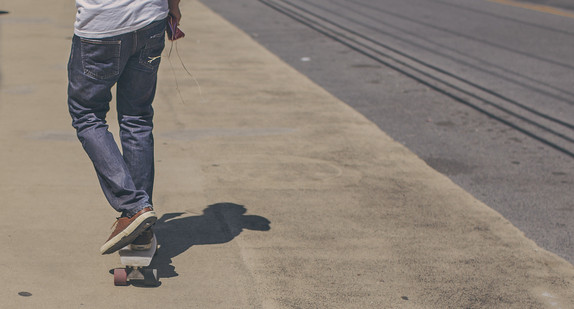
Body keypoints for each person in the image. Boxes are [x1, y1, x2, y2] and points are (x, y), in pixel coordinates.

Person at [67, 0, 181, 255]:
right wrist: (173, 6)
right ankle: (142, 228)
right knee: (137, 118)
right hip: (150, 20)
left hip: (102, 26)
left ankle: (134, 207)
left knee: (87, 115)